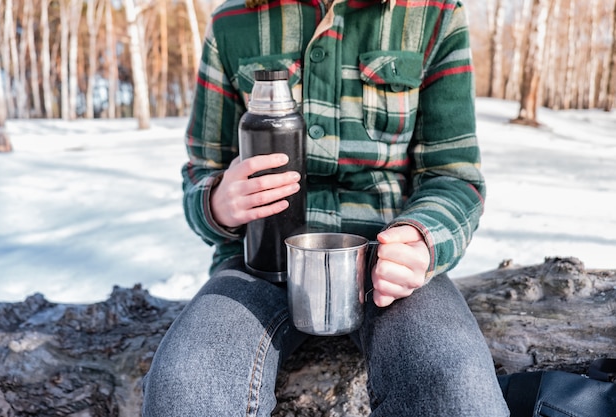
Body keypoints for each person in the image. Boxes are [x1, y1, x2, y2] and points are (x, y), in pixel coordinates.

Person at [142, 0, 510, 415]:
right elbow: (201, 171)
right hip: (259, 265)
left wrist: (422, 239)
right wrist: (216, 201)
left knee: (453, 382)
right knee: (187, 380)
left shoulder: (433, 15)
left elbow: (453, 175)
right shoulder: (234, 21)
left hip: (387, 267)